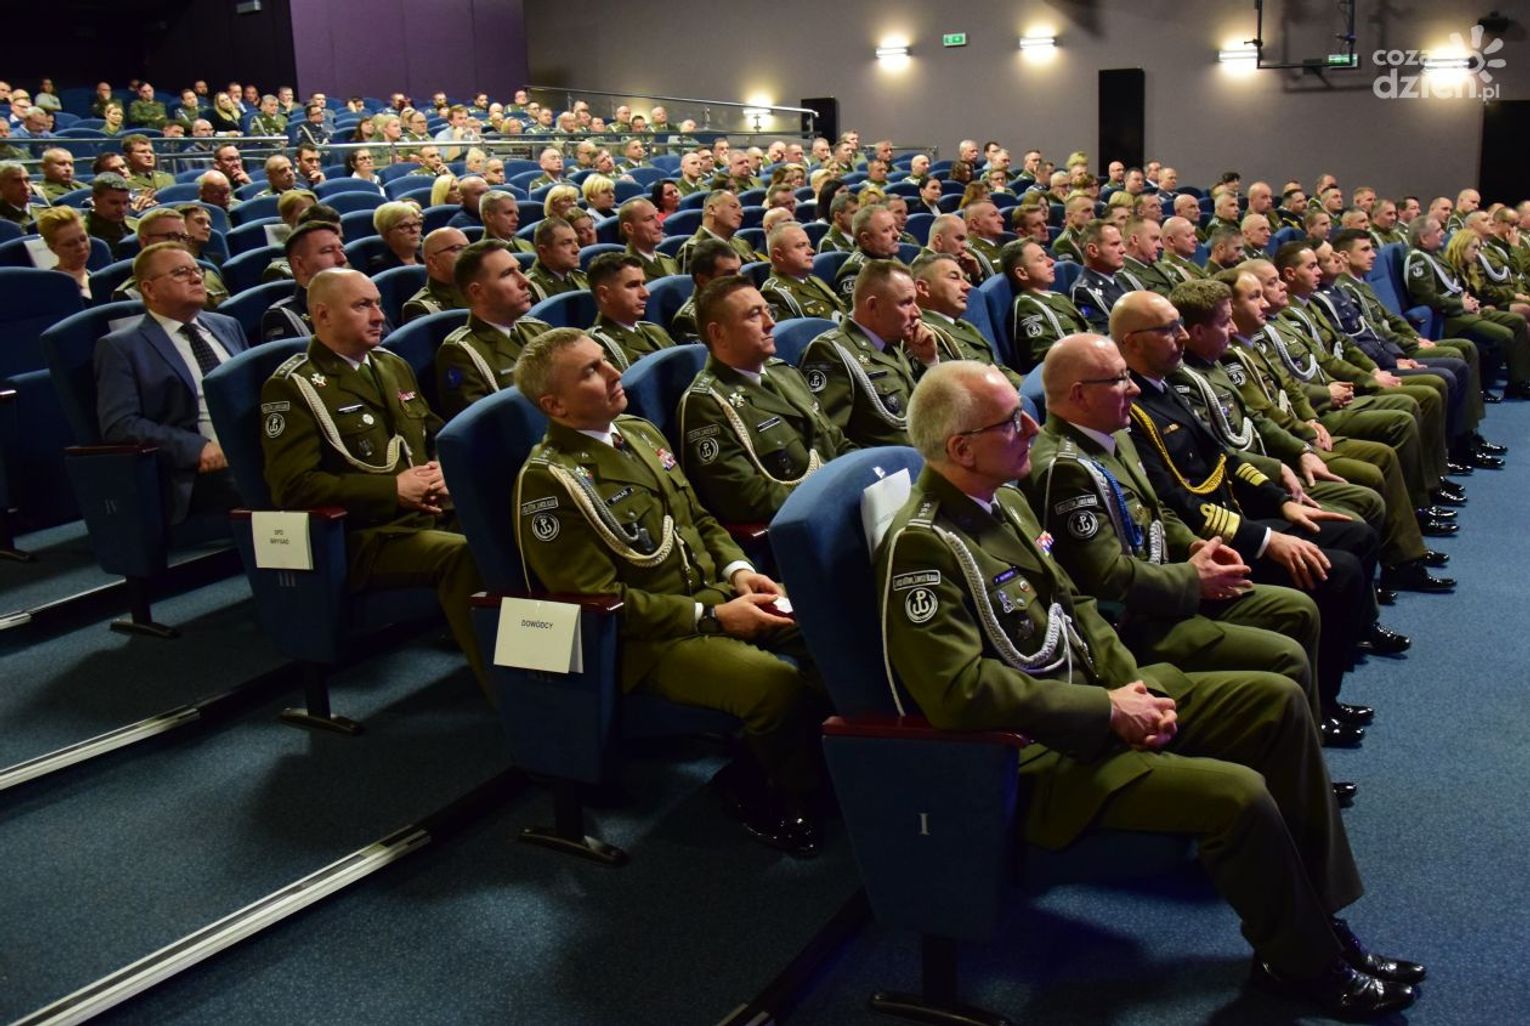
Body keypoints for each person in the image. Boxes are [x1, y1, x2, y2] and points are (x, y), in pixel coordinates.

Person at [878, 358, 1422, 1022]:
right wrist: (1106, 708)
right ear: (962, 449)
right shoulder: (923, 546)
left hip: (1100, 694)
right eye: (1011, 422)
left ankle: (1319, 920)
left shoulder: (1006, 500)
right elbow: (959, 693)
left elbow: (1076, 606)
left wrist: (1125, 685)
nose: (1031, 427)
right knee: (1238, 795)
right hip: (1038, 756)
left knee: (1274, 702)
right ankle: (1302, 961)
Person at [513, 327, 828, 856]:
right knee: (774, 685)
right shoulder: (550, 482)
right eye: (591, 371)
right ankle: (779, 793)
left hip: (716, 595)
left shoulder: (639, 433)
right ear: (555, 405)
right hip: (651, 642)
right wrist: (713, 616)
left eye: (605, 360)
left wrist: (737, 571)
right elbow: (602, 601)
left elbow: (698, 518)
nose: (615, 372)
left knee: (827, 630)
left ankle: (805, 757)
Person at [1114, 290, 1402, 739]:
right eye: (1168, 330)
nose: (1182, 336)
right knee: (1339, 571)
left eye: (1180, 326)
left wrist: (1281, 501)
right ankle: (1320, 705)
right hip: (1211, 543)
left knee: (1358, 536)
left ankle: (1337, 663)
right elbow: (1176, 503)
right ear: (1132, 342)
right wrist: (1266, 540)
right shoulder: (1132, 409)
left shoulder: (1164, 385)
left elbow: (1223, 457)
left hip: (1232, 515)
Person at [261, 267, 487, 695]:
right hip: (367, 535)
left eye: (378, 304)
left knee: (505, 526)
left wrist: (443, 468)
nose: (379, 315)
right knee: (464, 555)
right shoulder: (294, 387)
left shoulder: (390, 365)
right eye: (362, 306)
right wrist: (392, 490)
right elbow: (293, 488)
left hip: (429, 511)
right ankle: (505, 689)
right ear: (323, 315)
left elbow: (432, 433)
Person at [677, 275, 854, 522]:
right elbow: (747, 498)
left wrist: (862, 474)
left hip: (841, 506)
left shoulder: (784, 372)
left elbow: (837, 442)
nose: (771, 323)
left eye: (767, 311)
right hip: (801, 524)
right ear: (718, 333)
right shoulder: (707, 403)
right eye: (754, 315)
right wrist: (834, 494)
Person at [94, 241, 248, 525]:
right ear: (149, 289)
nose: (196, 278)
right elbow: (120, 424)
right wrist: (195, 447)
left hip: (255, 449)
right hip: (197, 470)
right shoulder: (122, 347)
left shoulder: (227, 325)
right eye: (180, 273)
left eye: (197, 270)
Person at [799, 259, 939, 446]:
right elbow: (830, 440)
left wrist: (930, 361)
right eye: (906, 303)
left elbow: (926, 409)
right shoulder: (831, 351)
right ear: (873, 306)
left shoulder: (894, 342)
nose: (917, 312)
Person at [435, 239, 549, 418]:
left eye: (519, 270)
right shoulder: (462, 352)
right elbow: (481, 424)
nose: (524, 280)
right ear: (477, 292)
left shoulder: (539, 328)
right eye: (507, 274)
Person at [911, 253, 1021, 387]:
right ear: (923, 288)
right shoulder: (920, 333)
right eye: (954, 277)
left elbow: (998, 368)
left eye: (965, 278)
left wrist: (1023, 389)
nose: (967, 286)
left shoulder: (965, 326)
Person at [1005, 238, 1090, 370]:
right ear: (1022, 273)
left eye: (1047, 256)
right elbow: (1047, 357)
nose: (1051, 262)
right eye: (1041, 259)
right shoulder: (1027, 306)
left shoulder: (1058, 296)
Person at [586, 253, 678, 368]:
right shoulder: (597, 344)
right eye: (633, 285)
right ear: (604, 295)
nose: (645, 293)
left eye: (643, 284)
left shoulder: (655, 330)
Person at [261, 222, 350, 341]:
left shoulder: (362, 298)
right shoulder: (284, 316)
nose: (342, 259)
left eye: (341, 250)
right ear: (300, 265)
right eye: (328, 251)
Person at [760, 222, 845, 322]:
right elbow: (796, 331)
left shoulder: (814, 279)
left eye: (809, 245)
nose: (811, 251)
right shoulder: (774, 293)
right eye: (801, 245)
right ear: (779, 255)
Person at [668, 240, 741, 339]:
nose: (740, 279)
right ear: (703, 280)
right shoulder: (689, 320)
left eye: (739, 270)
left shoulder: (741, 300)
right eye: (729, 274)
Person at [677, 190, 758, 272]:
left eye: (740, 209)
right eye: (733, 207)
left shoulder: (742, 243)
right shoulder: (693, 249)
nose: (741, 214)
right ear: (712, 209)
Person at [402, 228, 470, 322]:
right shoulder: (422, 307)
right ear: (433, 262)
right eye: (457, 248)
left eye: (468, 248)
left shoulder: (482, 288)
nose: (467, 254)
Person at [526, 217, 589, 301]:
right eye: (566, 243)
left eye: (576, 241)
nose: (577, 249)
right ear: (543, 251)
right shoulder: (531, 287)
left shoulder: (581, 276)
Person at [37, 206, 94, 298]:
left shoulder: (99, 279)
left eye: (83, 239)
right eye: (70, 244)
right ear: (52, 248)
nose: (81, 247)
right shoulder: (49, 287)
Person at [618, 197, 677, 281]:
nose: (660, 225)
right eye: (649, 219)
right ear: (629, 228)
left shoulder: (670, 261)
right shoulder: (625, 271)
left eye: (657, 216)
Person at [84, 173, 140, 257]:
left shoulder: (136, 224)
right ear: (95, 199)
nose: (121, 209)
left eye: (125, 202)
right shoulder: (83, 233)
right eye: (114, 203)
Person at [0, 160, 48, 231]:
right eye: (17, 181)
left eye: (27, 180)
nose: (25, 187)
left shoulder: (46, 211)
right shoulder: (2, 222)